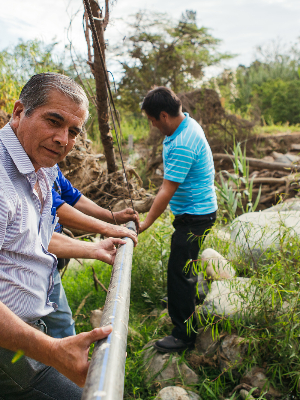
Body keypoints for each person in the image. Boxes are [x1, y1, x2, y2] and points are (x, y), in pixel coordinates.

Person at [0, 72, 125, 399]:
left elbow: (30, 241)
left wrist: (95, 248)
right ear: (18, 112)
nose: (62, 139)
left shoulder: (40, 166)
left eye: (73, 131)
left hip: (27, 333)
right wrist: (51, 349)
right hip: (10, 351)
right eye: (53, 121)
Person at [139, 87, 217, 353]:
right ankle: (190, 302)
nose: (152, 126)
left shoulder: (184, 142)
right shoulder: (184, 124)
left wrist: (145, 222)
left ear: (164, 115)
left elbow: (166, 190)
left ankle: (184, 335)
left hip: (195, 216)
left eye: (152, 120)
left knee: (179, 272)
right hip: (197, 211)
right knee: (186, 265)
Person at [44, 165, 139, 338]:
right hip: (20, 269)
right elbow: (53, 207)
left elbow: (72, 197)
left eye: (72, 135)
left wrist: (113, 217)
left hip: (47, 262)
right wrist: (108, 228)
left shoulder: (49, 166)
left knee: (62, 324)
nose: (63, 140)